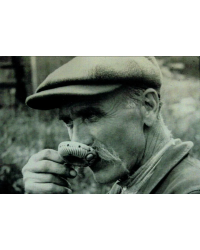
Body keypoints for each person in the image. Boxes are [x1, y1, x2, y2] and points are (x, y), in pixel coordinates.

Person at [22, 57, 200, 194]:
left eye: (91, 116)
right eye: (68, 122)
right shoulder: (129, 183)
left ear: (148, 106)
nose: (78, 141)